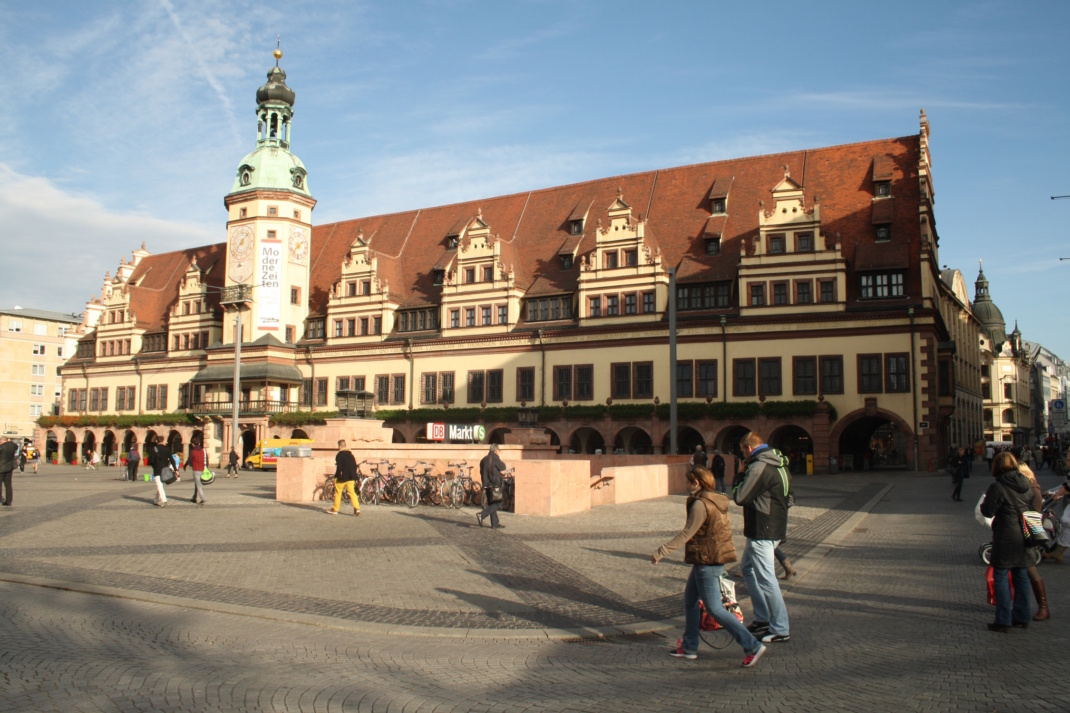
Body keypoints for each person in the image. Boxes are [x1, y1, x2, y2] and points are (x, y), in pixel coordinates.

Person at [652, 466, 767, 667]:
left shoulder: (701, 504)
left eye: (689, 481)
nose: (687, 485)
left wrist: (661, 552)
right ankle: (689, 646)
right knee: (690, 600)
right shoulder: (715, 499)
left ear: (697, 482)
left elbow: (687, 533)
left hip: (707, 561)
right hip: (707, 559)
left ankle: (752, 645)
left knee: (714, 608)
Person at [733, 431, 791, 644]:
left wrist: (739, 473)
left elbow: (740, 496)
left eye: (743, 452)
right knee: (747, 568)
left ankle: (780, 627)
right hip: (772, 526)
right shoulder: (780, 463)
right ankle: (762, 618)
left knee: (767, 579)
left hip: (762, 529)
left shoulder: (759, 467)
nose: (743, 456)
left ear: (748, 449)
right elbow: (789, 497)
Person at [980, 452, 1034, 632]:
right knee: (1021, 576)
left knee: (1001, 577)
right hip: (1024, 535)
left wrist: (984, 503)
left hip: (1006, 536)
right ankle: (1022, 616)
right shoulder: (1025, 484)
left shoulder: (998, 486)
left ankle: (1003, 620)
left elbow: (988, 511)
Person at [477, 443, 507, 529]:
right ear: (496, 450)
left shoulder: (483, 460)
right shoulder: (495, 458)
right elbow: (503, 467)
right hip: (494, 485)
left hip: (486, 485)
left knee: (491, 503)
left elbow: (481, 472)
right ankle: (482, 514)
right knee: (498, 502)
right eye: (498, 451)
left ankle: (495, 523)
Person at [327, 440, 360, 516]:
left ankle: (335, 509)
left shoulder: (339, 455)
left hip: (342, 478)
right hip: (351, 477)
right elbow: (355, 466)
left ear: (340, 446)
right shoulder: (351, 455)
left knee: (338, 492)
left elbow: (339, 467)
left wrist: (338, 475)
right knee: (352, 492)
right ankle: (357, 508)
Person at [148, 434, 174, 508]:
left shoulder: (154, 449)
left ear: (156, 441)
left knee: (159, 484)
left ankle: (164, 500)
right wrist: (176, 469)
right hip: (165, 469)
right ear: (163, 441)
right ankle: (156, 500)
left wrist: (153, 464)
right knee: (160, 484)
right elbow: (172, 460)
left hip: (157, 469)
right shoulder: (167, 448)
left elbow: (151, 460)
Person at [183, 438, 208, 505]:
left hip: (196, 470)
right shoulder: (204, 451)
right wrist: (206, 468)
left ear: (192, 444)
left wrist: (185, 466)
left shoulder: (192, 451)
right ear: (199, 443)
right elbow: (207, 460)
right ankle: (194, 497)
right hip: (203, 469)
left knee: (198, 485)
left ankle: (203, 498)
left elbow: (189, 460)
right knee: (197, 483)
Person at [0, 436, 17, 507]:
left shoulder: (1, 447)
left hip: (1, 468)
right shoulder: (12, 446)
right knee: (8, 485)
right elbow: (16, 445)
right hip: (9, 468)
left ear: (3, 440)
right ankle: (8, 501)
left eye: (0, 440)